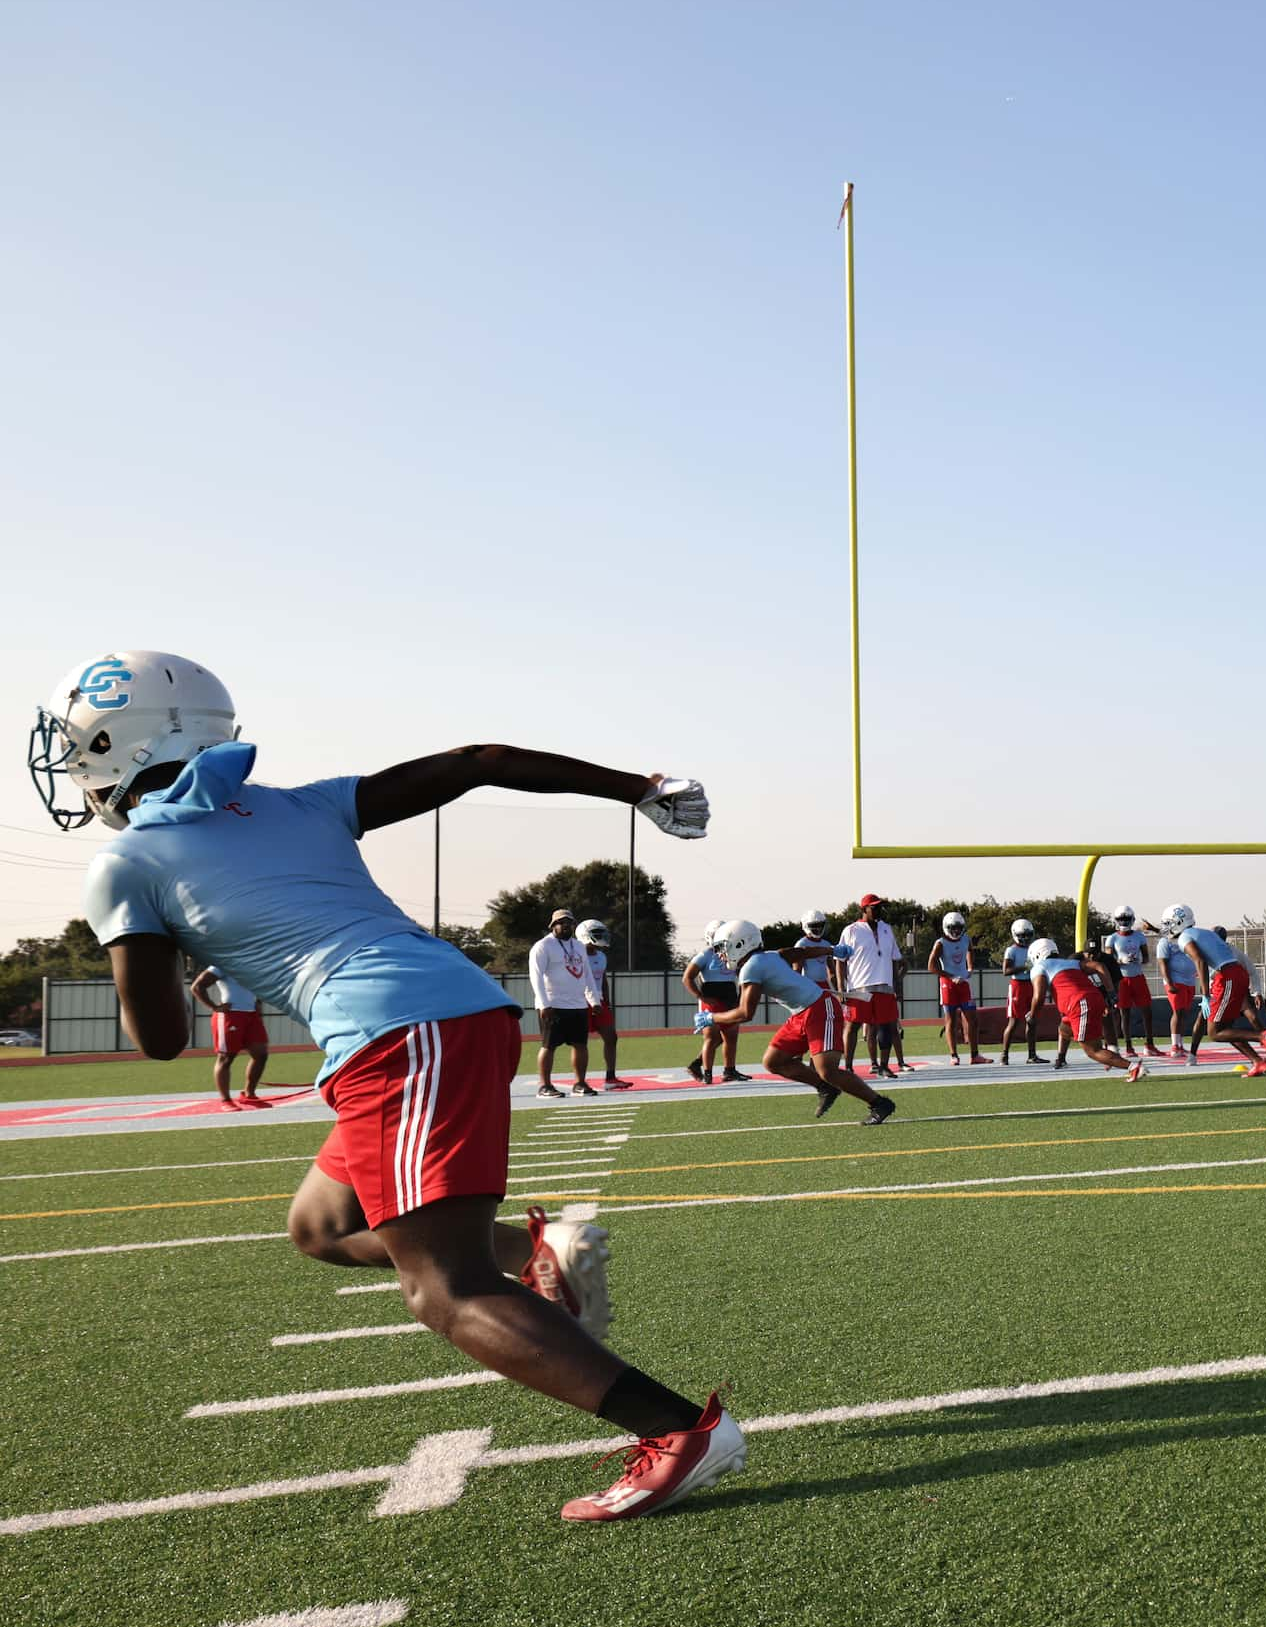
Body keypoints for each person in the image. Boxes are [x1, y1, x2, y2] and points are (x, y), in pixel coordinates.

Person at [34, 648, 741, 1521]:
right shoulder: (304, 804)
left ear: (115, 745)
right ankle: (536, 1254)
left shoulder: (128, 862)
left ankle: (677, 1430)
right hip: (445, 1014)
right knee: (322, 1227)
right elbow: (480, 763)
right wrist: (641, 787)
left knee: (444, 1289)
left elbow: (160, 1041)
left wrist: (173, 944)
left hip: (399, 1034)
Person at [704, 919, 895, 1125]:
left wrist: (711, 1017)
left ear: (741, 943)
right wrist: (830, 950)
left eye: (723, 947)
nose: (721, 954)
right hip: (801, 1013)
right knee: (773, 1061)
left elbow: (745, 1012)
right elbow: (798, 953)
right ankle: (825, 1087)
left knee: (827, 1070)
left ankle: (879, 1103)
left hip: (819, 1007)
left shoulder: (751, 967)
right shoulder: (766, 957)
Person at [1157, 906, 1266, 1074]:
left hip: (1226, 976)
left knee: (1215, 1032)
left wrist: (1205, 995)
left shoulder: (1184, 937)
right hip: (1234, 974)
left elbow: (1201, 961)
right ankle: (1258, 1062)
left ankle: (1262, 1037)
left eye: (1168, 923)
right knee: (1226, 1028)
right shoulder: (1204, 933)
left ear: (1179, 922)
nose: (1166, 927)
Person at [1027, 937, 1139, 1079]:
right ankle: (1061, 1059)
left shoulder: (1040, 967)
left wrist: (1033, 1016)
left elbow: (1038, 997)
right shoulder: (1072, 962)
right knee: (1064, 1028)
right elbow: (1099, 966)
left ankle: (1132, 1067)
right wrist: (1111, 992)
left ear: (1037, 954)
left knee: (1093, 1050)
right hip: (1092, 999)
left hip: (1080, 1003)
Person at [837, 893, 908, 1079]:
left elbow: (894, 959)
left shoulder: (887, 929)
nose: (878, 910)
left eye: (880, 907)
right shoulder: (851, 930)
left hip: (884, 985)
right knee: (853, 1026)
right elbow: (840, 961)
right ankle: (849, 1067)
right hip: (858, 986)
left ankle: (884, 1066)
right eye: (874, 907)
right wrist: (841, 988)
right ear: (864, 909)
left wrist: (896, 985)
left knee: (887, 1026)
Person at [528, 909, 597, 1098]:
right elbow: (536, 977)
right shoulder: (543, 946)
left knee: (580, 1045)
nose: (565, 925)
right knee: (549, 1046)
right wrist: (543, 1004)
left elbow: (587, 974)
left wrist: (594, 999)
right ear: (553, 925)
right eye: (561, 922)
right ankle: (545, 1086)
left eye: (569, 922)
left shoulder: (579, 946)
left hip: (577, 1004)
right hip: (553, 1004)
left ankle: (580, 1083)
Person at [187, 963, 270, 1108]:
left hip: (251, 1015)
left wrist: (257, 1004)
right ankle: (226, 1100)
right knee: (226, 1058)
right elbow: (197, 987)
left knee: (261, 1054)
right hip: (230, 1015)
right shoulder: (221, 964)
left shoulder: (253, 962)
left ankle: (249, 1094)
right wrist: (215, 1007)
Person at [682, 925, 748, 1084]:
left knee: (731, 1037)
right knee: (711, 1038)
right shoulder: (705, 955)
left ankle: (729, 1071)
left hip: (730, 998)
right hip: (712, 999)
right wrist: (701, 997)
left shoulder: (733, 952)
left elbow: (742, 974)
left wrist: (742, 995)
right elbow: (687, 977)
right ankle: (707, 1072)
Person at [578, 918, 630, 1090]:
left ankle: (610, 1078)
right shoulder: (577, 954)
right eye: (596, 934)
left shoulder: (601, 956)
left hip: (599, 1000)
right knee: (580, 1042)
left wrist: (606, 999)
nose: (600, 937)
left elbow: (603, 978)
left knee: (611, 1037)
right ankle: (581, 1081)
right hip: (580, 1000)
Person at [1100, 905, 1159, 1060]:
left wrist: (1138, 959)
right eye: (1121, 919)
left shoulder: (1139, 936)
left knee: (1147, 1011)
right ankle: (1128, 1046)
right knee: (1124, 1013)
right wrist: (1120, 960)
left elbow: (1146, 958)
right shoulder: (1112, 938)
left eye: (1126, 919)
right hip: (1122, 979)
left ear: (1132, 919)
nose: (1124, 922)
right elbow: (1108, 961)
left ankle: (1150, 1044)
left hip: (1138, 976)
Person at [928, 910, 982, 1065]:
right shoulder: (940, 943)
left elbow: (970, 950)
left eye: (958, 928)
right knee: (951, 1021)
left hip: (963, 983)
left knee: (972, 1019)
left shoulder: (966, 939)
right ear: (946, 927)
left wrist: (970, 967)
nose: (956, 931)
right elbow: (931, 966)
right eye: (953, 928)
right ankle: (954, 1055)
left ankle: (975, 1055)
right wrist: (951, 976)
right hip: (948, 985)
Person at [999, 917, 1048, 1066]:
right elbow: (1006, 970)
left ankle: (1032, 1055)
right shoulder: (1011, 950)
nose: (1025, 939)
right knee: (1014, 1022)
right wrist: (1023, 968)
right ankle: (1004, 1055)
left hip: (1032, 984)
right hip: (1018, 986)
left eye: (1028, 935)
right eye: (1022, 936)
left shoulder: (1034, 947)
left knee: (1032, 1020)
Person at [1157, 921, 1202, 1060]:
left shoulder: (1187, 938)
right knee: (1177, 1012)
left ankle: (1180, 1045)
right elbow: (1162, 963)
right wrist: (1169, 982)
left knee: (1184, 1013)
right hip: (1175, 980)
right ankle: (1175, 1046)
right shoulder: (1165, 942)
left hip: (1189, 980)